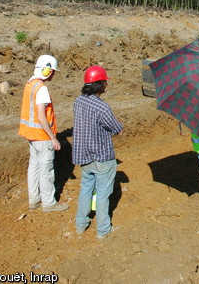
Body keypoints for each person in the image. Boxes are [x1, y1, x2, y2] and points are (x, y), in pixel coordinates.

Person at [72, 65, 123, 239]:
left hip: (84, 156)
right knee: (103, 193)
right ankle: (103, 230)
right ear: (100, 85)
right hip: (102, 157)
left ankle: (81, 224)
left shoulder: (78, 101)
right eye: (105, 83)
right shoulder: (102, 107)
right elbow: (117, 129)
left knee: (85, 189)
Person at [18, 54, 69, 212]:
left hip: (31, 135)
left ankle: (34, 200)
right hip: (42, 136)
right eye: (52, 71)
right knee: (46, 169)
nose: (53, 74)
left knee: (33, 167)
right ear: (46, 70)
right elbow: (41, 116)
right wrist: (53, 138)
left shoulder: (30, 84)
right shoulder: (42, 89)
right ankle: (48, 203)